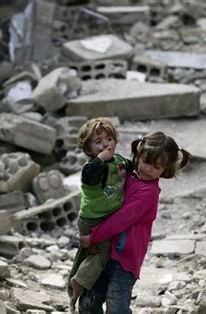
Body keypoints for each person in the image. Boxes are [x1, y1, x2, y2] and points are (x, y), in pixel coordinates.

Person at [77, 131, 191, 313]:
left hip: (125, 258)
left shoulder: (149, 193)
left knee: (117, 305)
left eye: (157, 167)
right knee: (89, 300)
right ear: (138, 155)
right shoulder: (129, 174)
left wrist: (93, 236)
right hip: (104, 250)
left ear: (165, 169)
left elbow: (121, 220)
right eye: (145, 161)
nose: (148, 169)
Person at [67, 117, 132, 312]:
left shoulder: (119, 161)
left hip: (106, 218)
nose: (105, 144)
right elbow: (90, 176)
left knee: (94, 253)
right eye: (98, 142)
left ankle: (82, 279)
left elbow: (132, 168)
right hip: (92, 219)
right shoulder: (91, 167)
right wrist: (100, 159)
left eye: (109, 139)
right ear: (88, 149)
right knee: (99, 255)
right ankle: (79, 282)